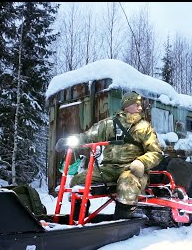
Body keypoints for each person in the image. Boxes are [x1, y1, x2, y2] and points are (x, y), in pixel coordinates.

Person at [55, 91, 164, 220]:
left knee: (127, 183)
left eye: (140, 105)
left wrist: (142, 162)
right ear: (126, 105)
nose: (140, 108)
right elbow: (88, 136)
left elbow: (156, 152)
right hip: (108, 169)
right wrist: (68, 141)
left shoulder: (144, 127)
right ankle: (78, 218)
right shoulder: (108, 124)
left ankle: (121, 220)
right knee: (78, 180)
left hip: (132, 169)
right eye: (136, 104)